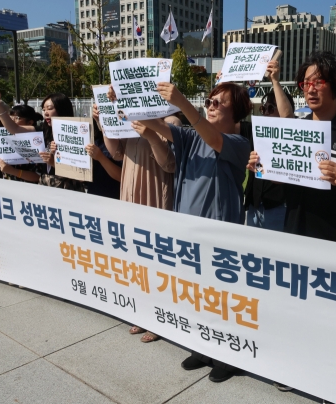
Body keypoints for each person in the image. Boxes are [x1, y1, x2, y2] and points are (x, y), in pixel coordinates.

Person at [139, 81, 251, 383]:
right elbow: (153, 123)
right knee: (197, 294)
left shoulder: (238, 143)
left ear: (236, 111)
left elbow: (214, 139)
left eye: (219, 102)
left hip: (220, 235)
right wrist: (128, 97)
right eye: (210, 101)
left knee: (223, 297)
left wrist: (182, 101)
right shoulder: (190, 137)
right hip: (188, 232)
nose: (211, 105)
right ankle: (203, 348)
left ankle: (229, 357)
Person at [248, 51, 336, 245]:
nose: (310, 90)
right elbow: (282, 179)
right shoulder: (298, 129)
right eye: (306, 84)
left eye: (318, 83)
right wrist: (266, 168)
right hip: (293, 234)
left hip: (334, 239)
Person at [95, 93, 178, 343]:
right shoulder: (127, 116)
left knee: (157, 256)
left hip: (154, 188)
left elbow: (169, 164)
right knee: (135, 254)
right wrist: (105, 123)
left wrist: (149, 131)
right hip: (131, 190)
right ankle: (142, 311)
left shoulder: (171, 121)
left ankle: (160, 316)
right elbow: (117, 153)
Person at [241, 61, 294, 232]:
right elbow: (228, 121)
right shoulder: (255, 131)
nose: (265, 112)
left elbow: (288, 121)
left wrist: (275, 81)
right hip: (255, 205)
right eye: (263, 108)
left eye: (271, 108)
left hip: (279, 207)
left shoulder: (292, 135)